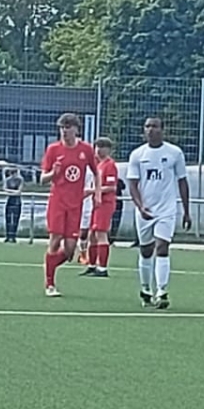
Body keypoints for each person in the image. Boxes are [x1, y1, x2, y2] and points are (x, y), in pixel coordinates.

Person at [123, 117, 190, 308]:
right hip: (145, 210)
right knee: (146, 250)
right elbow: (132, 184)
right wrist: (140, 207)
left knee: (162, 247)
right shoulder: (137, 154)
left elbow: (182, 181)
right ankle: (146, 289)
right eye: (147, 126)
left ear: (162, 129)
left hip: (167, 210)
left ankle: (162, 291)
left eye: (155, 126)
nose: (151, 130)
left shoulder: (174, 153)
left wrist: (186, 211)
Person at [39, 112, 95, 297]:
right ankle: (50, 283)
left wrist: (98, 193)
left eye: (68, 127)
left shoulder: (86, 150)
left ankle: (49, 265)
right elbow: (42, 179)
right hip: (57, 202)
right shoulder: (53, 149)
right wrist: (53, 173)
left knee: (70, 251)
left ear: (76, 130)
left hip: (75, 204)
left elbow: (96, 172)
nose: (64, 131)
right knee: (55, 240)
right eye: (62, 127)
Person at [82, 138, 120, 278]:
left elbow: (111, 187)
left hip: (105, 203)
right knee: (92, 234)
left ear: (109, 149)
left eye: (102, 147)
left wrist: (91, 191)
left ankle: (102, 268)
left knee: (101, 234)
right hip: (97, 203)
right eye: (97, 146)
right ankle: (92, 265)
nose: (98, 150)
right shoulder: (98, 164)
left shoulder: (110, 165)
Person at [2, 168, 23, 243]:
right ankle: (8, 236)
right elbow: (4, 189)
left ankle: (13, 236)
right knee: (8, 219)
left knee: (15, 219)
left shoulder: (20, 180)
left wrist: (11, 191)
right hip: (9, 200)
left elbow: (19, 191)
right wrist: (14, 192)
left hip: (17, 201)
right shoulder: (7, 180)